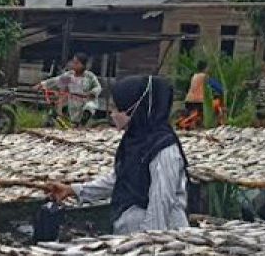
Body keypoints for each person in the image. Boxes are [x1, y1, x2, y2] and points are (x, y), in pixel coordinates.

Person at [47, 75, 188, 235]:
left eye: (118, 107)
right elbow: (120, 179)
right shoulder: (136, 139)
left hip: (160, 238)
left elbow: (160, 202)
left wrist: (147, 243)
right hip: (131, 232)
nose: (113, 113)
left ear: (136, 108)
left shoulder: (164, 149)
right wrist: (73, 190)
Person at [38, 52, 102, 125]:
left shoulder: (89, 76)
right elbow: (57, 80)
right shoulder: (70, 75)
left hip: (87, 101)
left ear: (83, 65)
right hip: (73, 102)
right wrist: (42, 84)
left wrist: (92, 93)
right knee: (72, 122)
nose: (74, 65)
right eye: (74, 63)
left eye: (77, 63)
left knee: (88, 107)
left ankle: (83, 124)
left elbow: (98, 87)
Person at [183, 60, 208, 128]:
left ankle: (187, 126)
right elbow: (213, 84)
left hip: (189, 99)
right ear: (205, 68)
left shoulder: (194, 76)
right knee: (198, 115)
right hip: (198, 100)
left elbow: (187, 87)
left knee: (191, 115)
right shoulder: (204, 76)